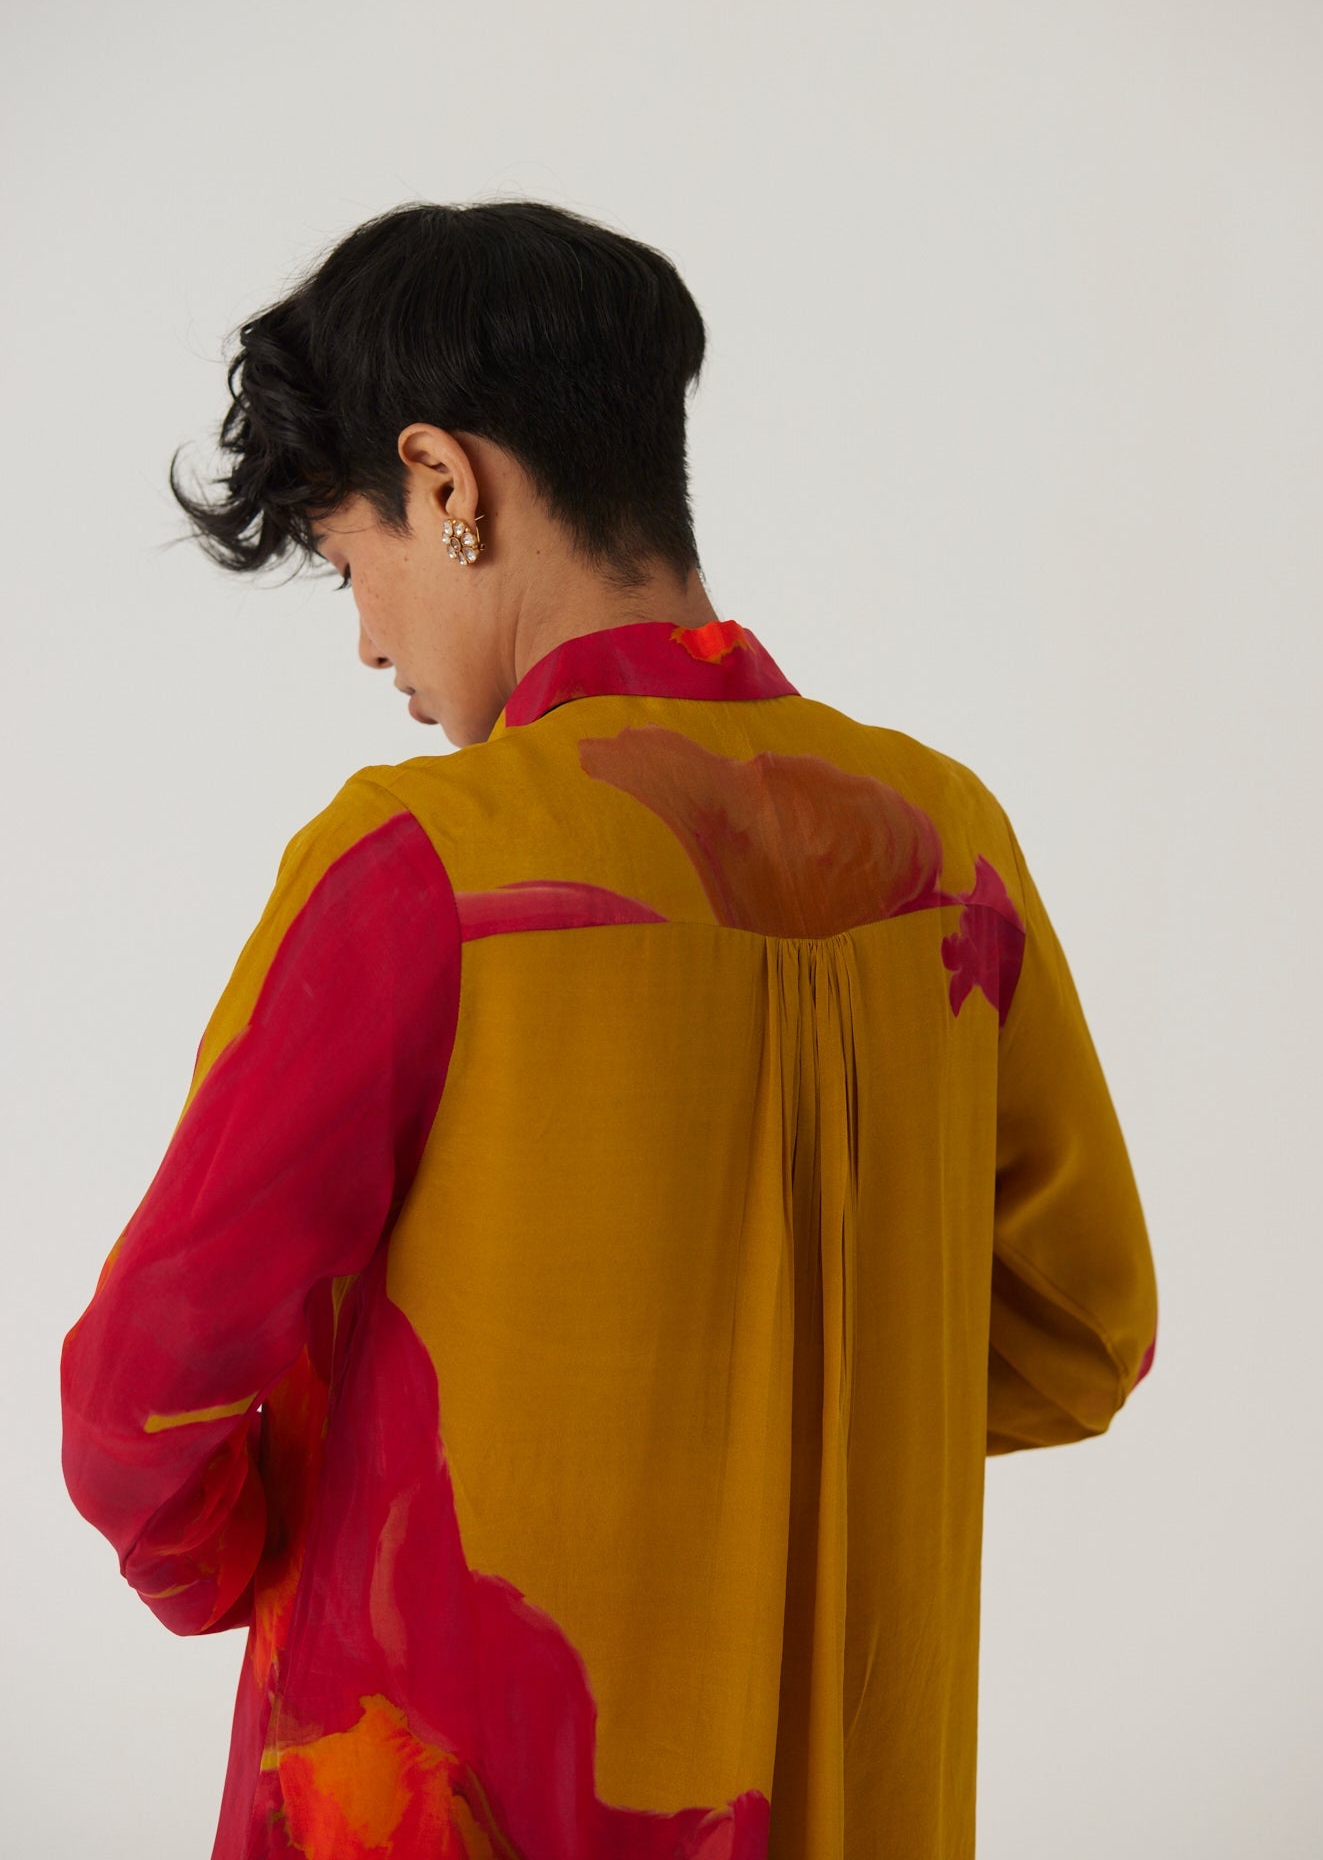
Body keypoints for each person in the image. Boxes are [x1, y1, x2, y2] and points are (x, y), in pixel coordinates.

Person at [59, 199, 1158, 1860]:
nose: (366, 638)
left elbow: (137, 1400)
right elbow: (1084, 1327)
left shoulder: (425, 867)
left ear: (445, 483)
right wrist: (790, 1443)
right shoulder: (946, 848)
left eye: (350, 563)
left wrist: (272, 1546)